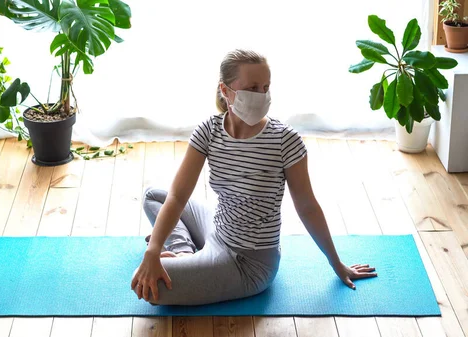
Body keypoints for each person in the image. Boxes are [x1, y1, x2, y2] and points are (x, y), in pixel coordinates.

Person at [130, 49, 377, 306]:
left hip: (247, 264)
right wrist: (153, 252)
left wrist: (336, 264)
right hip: (217, 229)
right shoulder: (209, 130)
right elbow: (178, 196)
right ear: (225, 91)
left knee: (149, 287)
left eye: (265, 87)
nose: (261, 95)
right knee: (153, 196)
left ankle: (185, 259)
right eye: (252, 88)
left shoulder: (285, 140)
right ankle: (184, 254)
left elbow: (307, 207)